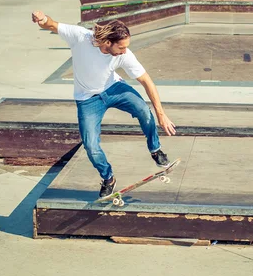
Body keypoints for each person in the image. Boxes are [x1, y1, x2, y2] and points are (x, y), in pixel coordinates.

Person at [31, 11, 176, 198]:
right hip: (87, 99)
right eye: (121, 47)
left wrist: (161, 114)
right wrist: (43, 20)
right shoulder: (80, 37)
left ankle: (155, 150)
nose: (124, 51)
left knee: (143, 111)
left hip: (114, 88)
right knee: (90, 145)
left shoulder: (125, 54)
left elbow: (146, 80)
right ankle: (108, 178)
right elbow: (52, 25)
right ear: (108, 42)